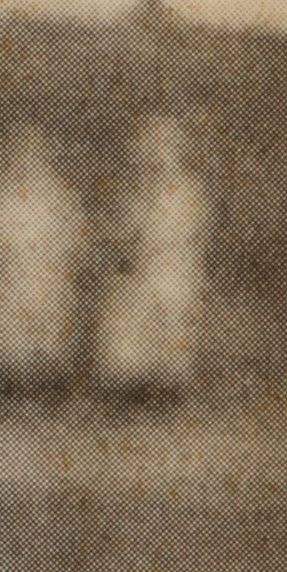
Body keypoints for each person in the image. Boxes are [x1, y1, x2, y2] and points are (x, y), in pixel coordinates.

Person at [93, 114, 211, 403]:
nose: (154, 159)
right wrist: (111, 235)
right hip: (142, 274)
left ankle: (170, 391)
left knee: (172, 327)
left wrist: (142, 245)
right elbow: (123, 229)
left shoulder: (189, 192)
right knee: (126, 313)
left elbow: (183, 234)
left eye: (161, 150)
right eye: (149, 152)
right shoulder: (139, 192)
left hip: (174, 273)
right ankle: (132, 388)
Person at [0, 122, 87, 397]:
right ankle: (8, 385)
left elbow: (74, 237)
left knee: (49, 318)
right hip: (11, 276)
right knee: (7, 319)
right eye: (20, 153)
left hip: (48, 276)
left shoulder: (58, 196)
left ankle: (47, 385)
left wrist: (57, 265)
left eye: (33, 153)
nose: (26, 161)